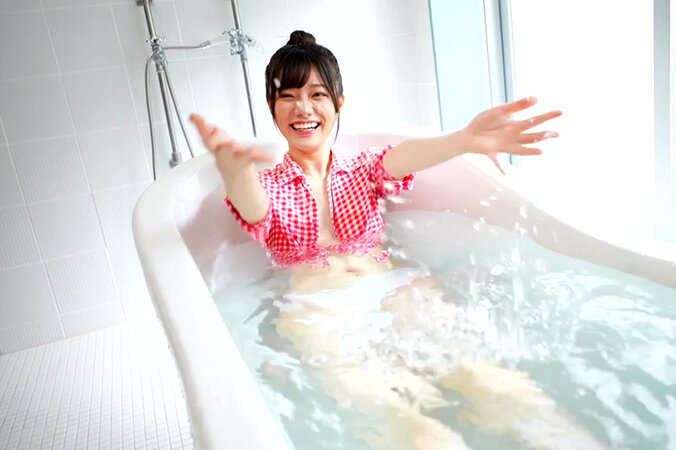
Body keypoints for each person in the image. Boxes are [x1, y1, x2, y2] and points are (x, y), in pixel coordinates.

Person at [190, 30, 603, 449]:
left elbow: (403, 157)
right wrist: (235, 172)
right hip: (321, 312)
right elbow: (252, 205)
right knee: (416, 429)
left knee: (501, 388)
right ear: (271, 107)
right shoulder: (268, 186)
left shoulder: (363, 169)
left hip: (400, 291)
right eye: (288, 96)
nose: (303, 108)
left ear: (338, 102)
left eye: (317, 94)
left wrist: (463, 140)